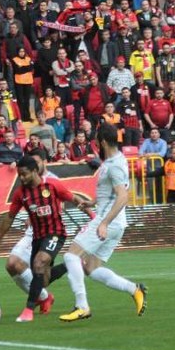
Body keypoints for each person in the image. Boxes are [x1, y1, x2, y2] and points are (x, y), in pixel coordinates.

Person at [50, 124, 148, 322]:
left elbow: (123, 197)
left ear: (102, 141)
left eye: (95, 139)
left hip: (107, 221)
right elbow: (111, 192)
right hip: (115, 223)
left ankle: (82, 306)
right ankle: (135, 289)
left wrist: (103, 223)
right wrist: (92, 202)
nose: (94, 142)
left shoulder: (115, 165)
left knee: (71, 256)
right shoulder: (113, 161)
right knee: (91, 269)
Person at [0, 155, 87, 322]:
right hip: (37, 236)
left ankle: (28, 310)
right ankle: (73, 264)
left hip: (56, 233)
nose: (22, 177)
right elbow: (10, 217)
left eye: (24, 174)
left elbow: (73, 198)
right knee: (43, 279)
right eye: (19, 174)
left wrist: (93, 216)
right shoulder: (21, 193)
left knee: (38, 263)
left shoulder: (52, 184)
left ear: (35, 171)